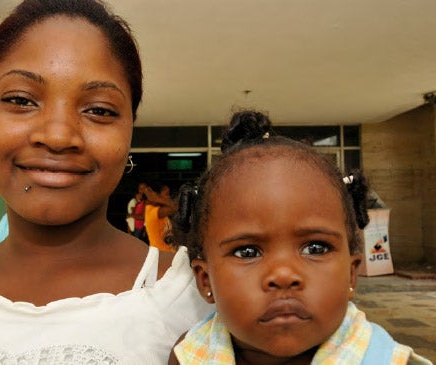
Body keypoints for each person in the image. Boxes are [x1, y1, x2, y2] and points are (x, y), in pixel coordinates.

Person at [0, 1, 212, 363]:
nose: (59, 136)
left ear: (129, 131)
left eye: (98, 110)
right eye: (20, 100)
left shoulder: (199, 295)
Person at [168, 110, 432, 364]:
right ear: (205, 280)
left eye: (316, 248)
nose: (283, 274)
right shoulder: (190, 355)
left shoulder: (388, 360)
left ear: (351, 273)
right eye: (247, 252)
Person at [144, 181, 178, 252]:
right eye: (166, 194)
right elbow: (176, 207)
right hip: (161, 255)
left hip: (166, 254)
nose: (168, 197)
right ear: (155, 194)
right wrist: (157, 199)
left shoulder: (159, 209)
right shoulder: (152, 211)